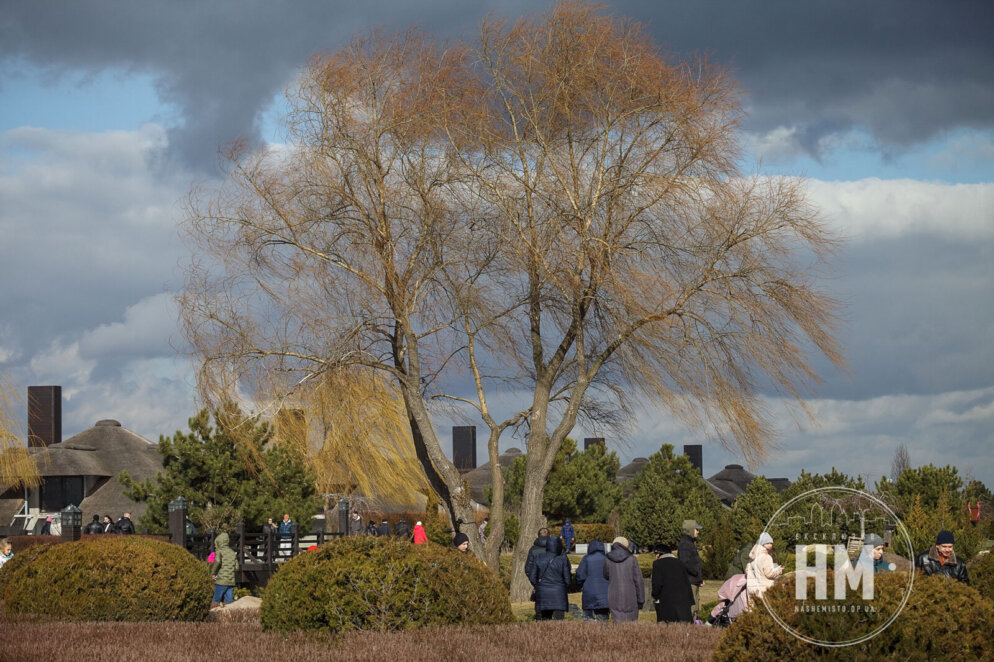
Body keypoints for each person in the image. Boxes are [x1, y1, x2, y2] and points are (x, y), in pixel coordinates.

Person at [528, 536, 571, 620]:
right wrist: (563, 587)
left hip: (543, 592)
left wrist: (538, 586)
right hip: (559, 592)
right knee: (559, 623)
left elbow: (532, 576)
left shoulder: (538, 557)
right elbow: (567, 579)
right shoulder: (563, 560)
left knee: (544, 621)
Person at [603, 536, 644, 623]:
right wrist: (641, 600)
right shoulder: (632, 559)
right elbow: (638, 581)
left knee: (617, 626)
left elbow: (606, 575)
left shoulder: (608, 559)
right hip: (631, 596)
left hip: (614, 596)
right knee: (631, 626)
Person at [651, 542, 694, 623]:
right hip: (684, 600)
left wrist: (655, 595)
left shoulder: (658, 564)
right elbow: (687, 580)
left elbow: (657, 584)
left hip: (667, 601)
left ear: (658, 554)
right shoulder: (679, 562)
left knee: (669, 628)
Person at [575, 539, 610, 621]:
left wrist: (578, 585)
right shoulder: (607, 559)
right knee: (603, 620)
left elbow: (580, 575)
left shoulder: (586, 559)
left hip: (589, 593)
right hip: (605, 594)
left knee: (588, 620)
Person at [677, 519, 704, 619]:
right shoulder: (685, 544)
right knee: (691, 608)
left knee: (696, 607)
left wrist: (699, 579)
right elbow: (685, 563)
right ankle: (689, 630)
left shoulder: (690, 542)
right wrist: (696, 573)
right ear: (691, 529)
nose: (698, 531)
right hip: (690, 581)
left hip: (694, 580)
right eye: (696, 529)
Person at [746, 532, 783, 599]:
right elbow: (769, 574)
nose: (770, 545)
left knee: (753, 608)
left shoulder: (752, 558)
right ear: (762, 543)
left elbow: (747, 571)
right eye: (767, 543)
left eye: (771, 543)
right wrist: (778, 570)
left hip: (752, 590)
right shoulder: (766, 557)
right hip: (765, 590)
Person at [211, 531, 237, 608]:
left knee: (216, 601)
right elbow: (237, 567)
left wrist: (213, 573)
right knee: (229, 603)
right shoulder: (232, 552)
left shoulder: (219, 551)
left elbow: (218, 561)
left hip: (221, 581)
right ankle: (230, 618)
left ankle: (213, 618)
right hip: (231, 581)